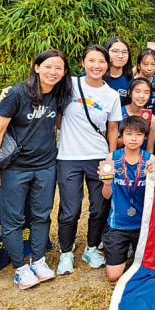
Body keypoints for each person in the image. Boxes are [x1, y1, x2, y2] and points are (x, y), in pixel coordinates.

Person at [0, 49, 73, 290]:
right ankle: (20, 267)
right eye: (48, 66)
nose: (53, 72)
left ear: (64, 72)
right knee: (13, 218)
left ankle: (38, 260)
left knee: (41, 214)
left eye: (59, 68)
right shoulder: (16, 93)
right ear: (36, 67)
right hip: (15, 167)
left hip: (46, 165)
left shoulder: (60, 93)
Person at [56, 45, 122, 275]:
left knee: (100, 206)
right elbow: (43, 93)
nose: (96, 65)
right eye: (91, 61)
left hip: (98, 156)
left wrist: (111, 156)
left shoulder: (111, 95)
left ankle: (91, 248)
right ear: (83, 63)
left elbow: (113, 128)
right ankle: (66, 252)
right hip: (69, 157)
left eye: (101, 61)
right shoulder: (70, 84)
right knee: (70, 209)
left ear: (107, 65)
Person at [100, 116, 155, 282]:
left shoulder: (149, 160)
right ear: (121, 136)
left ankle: (133, 249)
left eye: (138, 134)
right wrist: (107, 184)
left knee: (150, 270)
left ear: (144, 137)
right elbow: (106, 196)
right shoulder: (112, 158)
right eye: (129, 133)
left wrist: (150, 178)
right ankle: (122, 248)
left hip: (143, 224)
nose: (133, 138)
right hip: (119, 224)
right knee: (113, 276)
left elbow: (154, 196)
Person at [118, 78, 155, 154]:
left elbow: (150, 149)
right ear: (130, 93)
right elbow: (113, 144)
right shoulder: (119, 112)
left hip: (141, 161)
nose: (142, 96)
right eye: (137, 91)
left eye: (146, 92)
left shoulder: (152, 119)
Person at [104, 37, 133, 106]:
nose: (120, 56)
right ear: (106, 52)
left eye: (124, 52)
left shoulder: (131, 81)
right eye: (115, 51)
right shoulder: (95, 76)